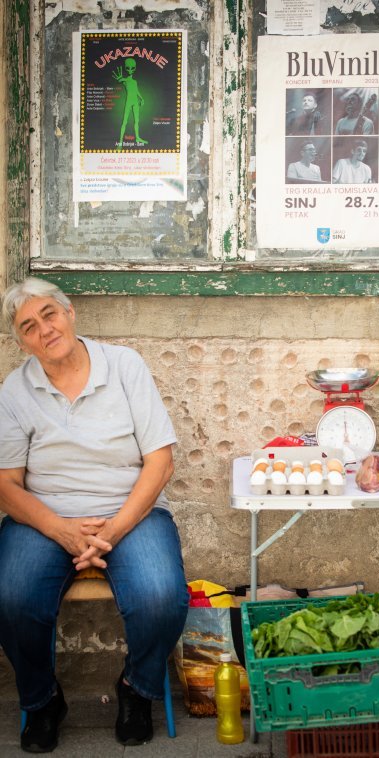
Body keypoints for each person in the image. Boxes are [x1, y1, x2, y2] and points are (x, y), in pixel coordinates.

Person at [0, 278, 189, 753]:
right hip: (46, 518)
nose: (44, 329)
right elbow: (6, 485)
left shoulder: (123, 365)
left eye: (49, 314)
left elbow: (160, 460)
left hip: (131, 512)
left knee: (161, 596)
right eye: (28, 326)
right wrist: (60, 530)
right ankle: (43, 702)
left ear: (70, 313)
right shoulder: (15, 389)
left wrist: (112, 531)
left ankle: (137, 689)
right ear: (20, 341)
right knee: (11, 596)